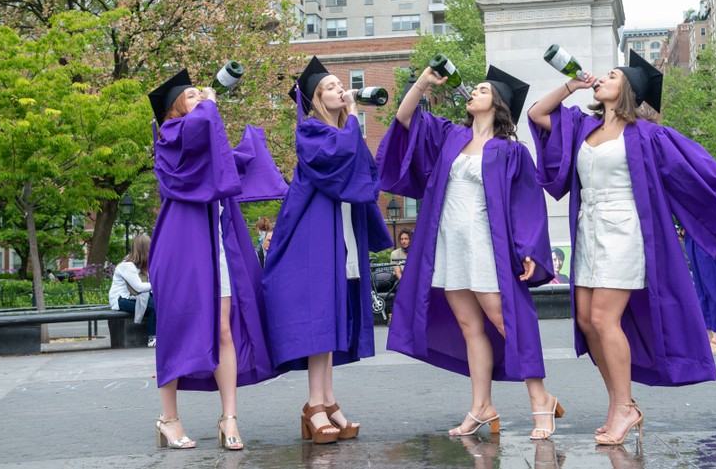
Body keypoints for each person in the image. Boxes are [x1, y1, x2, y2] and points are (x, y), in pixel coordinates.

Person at [527, 50, 716, 446]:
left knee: (606, 319)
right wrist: (572, 84)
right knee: (588, 322)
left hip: (625, 232)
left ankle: (624, 407)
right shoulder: (582, 127)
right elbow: (539, 114)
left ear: (627, 88)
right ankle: (618, 403)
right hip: (589, 231)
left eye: (611, 75)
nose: (602, 79)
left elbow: (698, 174)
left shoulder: (647, 135)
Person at [378, 64, 562, 440]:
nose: (474, 92)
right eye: (474, 88)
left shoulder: (511, 152)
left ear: (498, 102)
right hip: (448, 245)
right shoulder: (450, 136)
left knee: (504, 319)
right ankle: (482, 407)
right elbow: (404, 116)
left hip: (484, 245)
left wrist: (529, 249)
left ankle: (540, 398)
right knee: (468, 326)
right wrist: (424, 82)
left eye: (482, 88)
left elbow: (527, 204)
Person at [148, 70, 287, 451]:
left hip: (218, 244)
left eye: (200, 95)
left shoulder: (206, 135)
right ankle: (168, 418)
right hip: (182, 246)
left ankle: (229, 417)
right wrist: (208, 105)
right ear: (176, 108)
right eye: (191, 96)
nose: (202, 99)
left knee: (225, 328)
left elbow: (233, 164)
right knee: (177, 328)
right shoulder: (169, 139)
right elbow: (194, 142)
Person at [263, 57, 392, 444]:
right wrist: (352, 116)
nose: (342, 90)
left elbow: (366, 173)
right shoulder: (310, 131)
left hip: (344, 234)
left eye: (341, 85)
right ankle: (316, 405)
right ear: (317, 98)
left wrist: (351, 122)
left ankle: (326, 400)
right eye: (332, 86)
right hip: (315, 239)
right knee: (319, 320)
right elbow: (335, 160)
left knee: (330, 319)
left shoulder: (341, 131)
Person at [108, 234, 157, 347]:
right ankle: (152, 338)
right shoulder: (127, 265)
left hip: (136, 297)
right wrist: (158, 285)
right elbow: (138, 287)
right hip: (121, 299)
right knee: (154, 307)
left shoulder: (141, 265)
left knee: (160, 303)